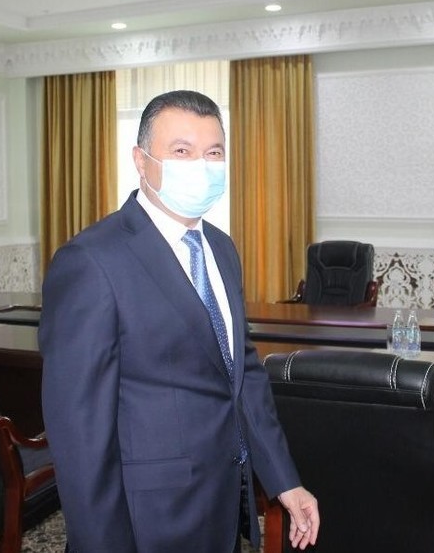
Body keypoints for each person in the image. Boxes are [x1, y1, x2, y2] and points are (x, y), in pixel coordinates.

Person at [39, 90, 319, 552]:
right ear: (141, 160)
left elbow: (241, 372)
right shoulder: (91, 261)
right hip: (146, 520)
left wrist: (284, 480)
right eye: (182, 151)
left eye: (214, 153)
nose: (201, 167)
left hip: (221, 504)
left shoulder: (222, 248)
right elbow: (79, 432)